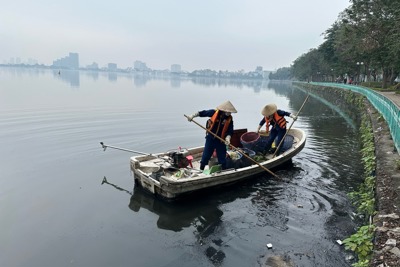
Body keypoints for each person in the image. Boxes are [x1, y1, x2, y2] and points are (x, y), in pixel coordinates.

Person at [187, 100, 237, 170]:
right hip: (211, 138)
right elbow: (203, 113)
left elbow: (230, 131)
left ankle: (224, 170)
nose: (229, 113)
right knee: (206, 156)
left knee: (222, 158)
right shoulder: (214, 112)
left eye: (230, 112)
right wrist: (193, 116)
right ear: (224, 110)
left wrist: (228, 138)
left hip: (220, 140)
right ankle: (201, 169)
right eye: (228, 111)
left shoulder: (229, 119)